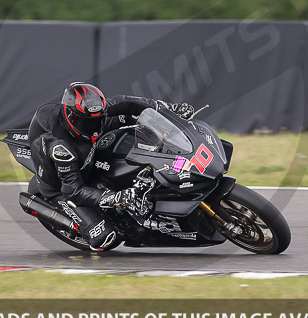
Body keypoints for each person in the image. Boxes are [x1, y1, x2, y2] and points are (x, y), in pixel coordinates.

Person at [28, 82, 194, 250]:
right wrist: (115, 198)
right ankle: (73, 218)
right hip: (62, 189)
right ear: (71, 117)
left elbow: (129, 103)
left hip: (85, 152)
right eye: (87, 123)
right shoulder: (60, 147)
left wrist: (169, 109)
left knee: (136, 124)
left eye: (97, 120)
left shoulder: (95, 115)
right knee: (104, 238)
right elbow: (73, 190)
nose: (93, 128)